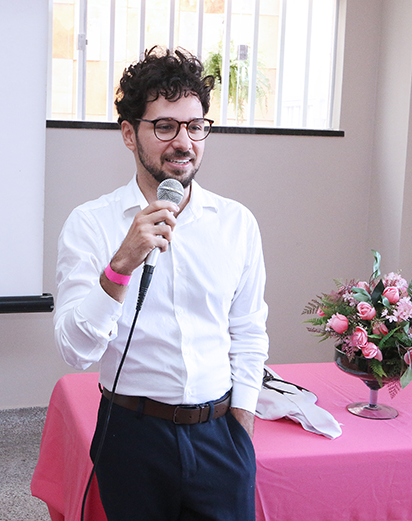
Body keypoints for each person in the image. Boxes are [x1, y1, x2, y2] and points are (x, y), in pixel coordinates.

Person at [53, 46, 269, 521]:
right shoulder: (91, 224)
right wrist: (121, 265)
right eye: (165, 126)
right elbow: (75, 350)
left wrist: (242, 425)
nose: (184, 142)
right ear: (129, 134)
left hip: (220, 435)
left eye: (196, 126)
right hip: (132, 435)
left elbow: (249, 331)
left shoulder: (236, 223)